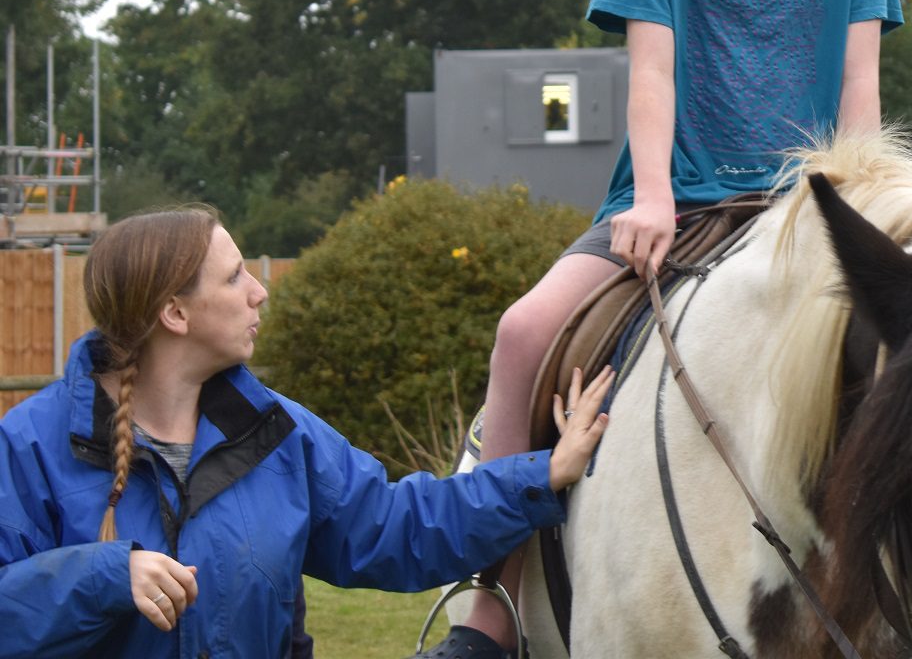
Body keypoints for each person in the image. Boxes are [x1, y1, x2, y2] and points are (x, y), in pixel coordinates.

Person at [453, 0, 905, 658]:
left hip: (807, 214)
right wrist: (652, 196)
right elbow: (650, 74)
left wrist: (866, 216)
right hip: (679, 205)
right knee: (523, 330)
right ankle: (490, 590)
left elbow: (860, 93)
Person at [0, 207, 612, 659]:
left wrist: (543, 474)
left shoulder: (277, 432)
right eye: (236, 276)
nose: (259, 291)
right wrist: (107, 576)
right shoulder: (31, 445)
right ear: (176, 313)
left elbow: (397, 526)